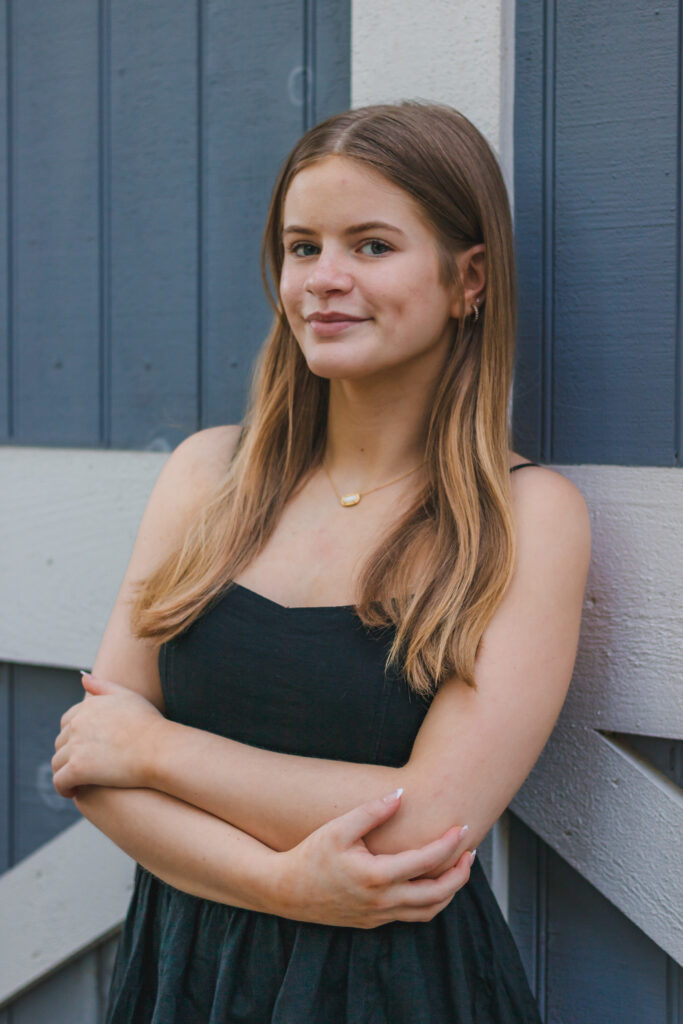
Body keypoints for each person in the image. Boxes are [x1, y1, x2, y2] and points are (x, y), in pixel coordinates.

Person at [52, 101, 590, 1022]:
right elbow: (94, 766)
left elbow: (424, 821)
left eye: (372, 246)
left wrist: (159, 747)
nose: (323, 281)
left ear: (470, 279)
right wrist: (286, 885)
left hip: (394, 991)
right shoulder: (208, 476)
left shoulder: (526, 518)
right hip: (186, 978)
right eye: (303, 248)